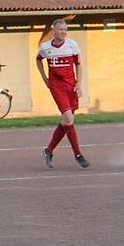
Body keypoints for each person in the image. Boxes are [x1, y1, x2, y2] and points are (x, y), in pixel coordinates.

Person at [36, 19, 90, 169]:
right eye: (60, 29)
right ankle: (78, 155)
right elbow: (38, 60)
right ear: (54, 30)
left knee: (67, 121)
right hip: (57, 86)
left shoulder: (72, 45)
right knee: (68, 118)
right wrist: (45, 79)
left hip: (71, 86)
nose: (63, 32)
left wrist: (78, 84)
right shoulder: (45, 47)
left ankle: (48, 150)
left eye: (65, 29)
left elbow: (78, 65)